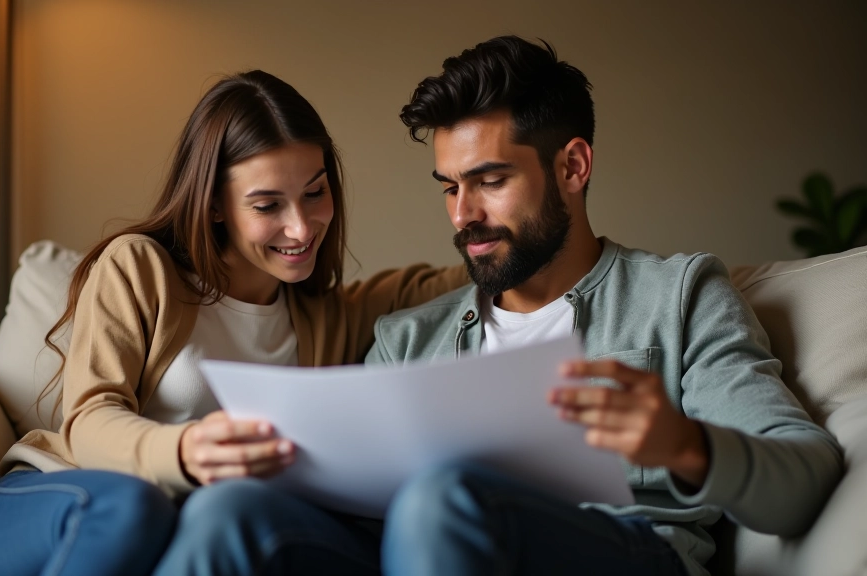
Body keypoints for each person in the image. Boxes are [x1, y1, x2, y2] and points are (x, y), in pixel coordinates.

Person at [176, 37, 844, 576]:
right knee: (229, 513)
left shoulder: (678, 295)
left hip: (623, 551)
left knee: (444, 498)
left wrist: (685, 444)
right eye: (449, 188)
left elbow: (805, 477)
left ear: (573, 167)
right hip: (414, 551)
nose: (464, 215)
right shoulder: (408, 338)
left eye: (491, 181)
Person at [0, 70, 466, 576]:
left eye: (315, 192)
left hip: (171, 530)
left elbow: (471, 273)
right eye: (267, 204)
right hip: (53, 500)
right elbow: (89, 418)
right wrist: (187, 451)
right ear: (215, 205)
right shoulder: (141, 267)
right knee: (135, 509)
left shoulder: (329, 316)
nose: (301, 226)